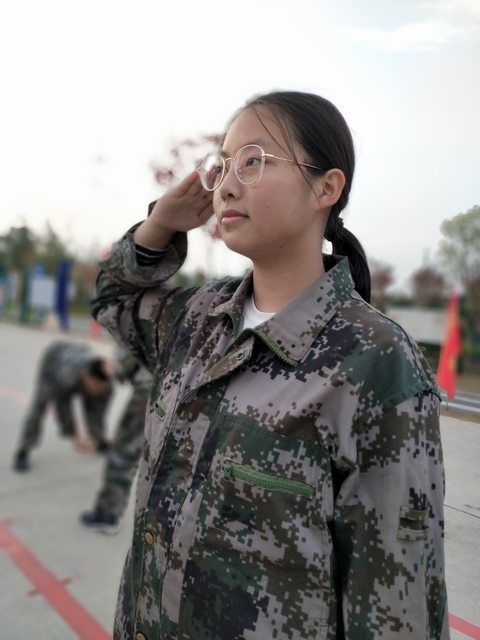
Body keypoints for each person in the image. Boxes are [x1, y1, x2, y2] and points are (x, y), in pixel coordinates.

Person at [92, 91, 449, 639]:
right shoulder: (195, 318)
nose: (227, 185)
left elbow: (398, 609)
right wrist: (160, 223)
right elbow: (112, 299)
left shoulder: (375, 362)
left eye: (254, 161)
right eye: (223, 165)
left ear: (326, 188)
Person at [80, 348, 152, 535]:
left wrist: (114, 365)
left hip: (150, 388)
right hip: (182, 390)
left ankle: (107, 514)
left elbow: (132, 351)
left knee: (123, 452)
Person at [13, 339, 113, 472]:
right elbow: (63, 406)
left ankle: (99, 441)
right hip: (53, 363)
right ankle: (24, 449)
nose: (98, 390)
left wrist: (95, 435)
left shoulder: (106, 385)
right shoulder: (66, 376)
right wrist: (74, 437)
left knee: (93, 402)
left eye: (101, 387)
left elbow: (98, 411)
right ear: (86, 377)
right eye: (95, 386)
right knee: (39, 406)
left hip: (77, 354)